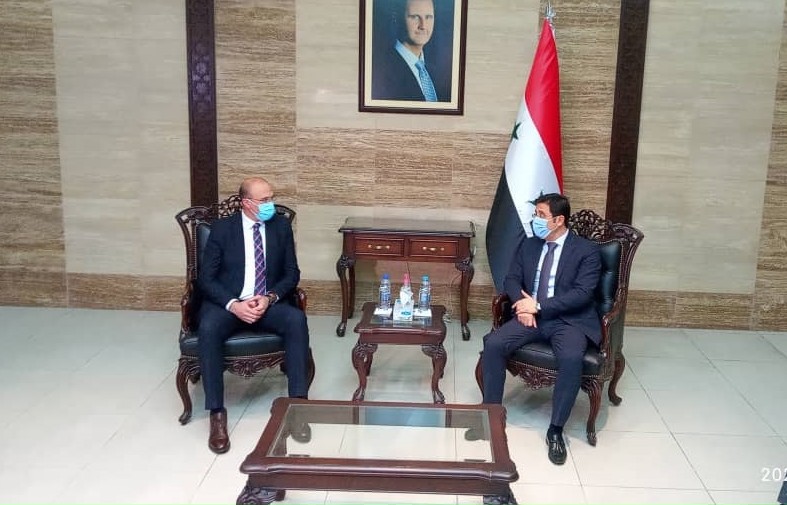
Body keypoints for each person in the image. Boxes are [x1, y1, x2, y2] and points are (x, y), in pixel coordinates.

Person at [479, 193, 601, 465]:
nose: (535, 220)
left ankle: (555, 430)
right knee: (493, 343)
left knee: (571, 358)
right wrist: (523, 305)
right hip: (530, 317)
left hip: (568, 320)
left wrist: (538, 306)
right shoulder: (530, 244)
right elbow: (511, 279)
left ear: (559, 220)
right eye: (535, 214)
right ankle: (490, 413)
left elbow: (582, 294)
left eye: (541, 215)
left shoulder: (586, 251)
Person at [195, 177, 310, 454]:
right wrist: (233, 304)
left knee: (296, 320)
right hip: (230, 303)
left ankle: (298, 406)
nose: (272, 204)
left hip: (265, 302)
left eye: (272, 197)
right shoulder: (222, 229)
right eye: (265, 200)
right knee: (208, 327)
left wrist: (269, 298)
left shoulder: (280, 226)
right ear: (246, 203)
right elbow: (206, 279)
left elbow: (292, 273)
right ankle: (217, 414)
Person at [371, 0, 450, 102]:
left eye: (428, 17)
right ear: (397, 18)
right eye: (415, 17)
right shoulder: (382, 71)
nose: (423, 26)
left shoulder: (436, 73)